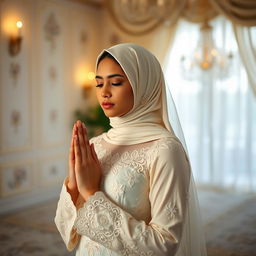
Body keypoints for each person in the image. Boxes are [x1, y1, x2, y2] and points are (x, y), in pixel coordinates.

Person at [55, 43, 207, 256]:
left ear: (144, 84)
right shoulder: (96, 144)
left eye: (115, 82)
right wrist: (73, 185)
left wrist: (91, 193)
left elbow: (164, 244)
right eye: (99, 84)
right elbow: (68, 231)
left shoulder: (165, 150)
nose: (104, 93)